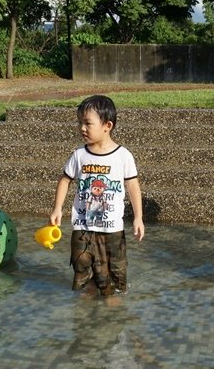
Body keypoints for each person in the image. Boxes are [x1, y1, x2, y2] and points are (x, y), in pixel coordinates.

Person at [50, 95, 144, 296]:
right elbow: (65, 180)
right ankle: (86, 301)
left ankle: (112, 304)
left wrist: (138, 218)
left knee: (115, 271)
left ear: (107, 125)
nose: (82, 128)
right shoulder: (79, 155)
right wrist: (57, 208)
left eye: (87, 123)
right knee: (81, 266)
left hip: (112, 229)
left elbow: (133, 186)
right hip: (83, 227)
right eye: (80, 123)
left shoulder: (123, 156)